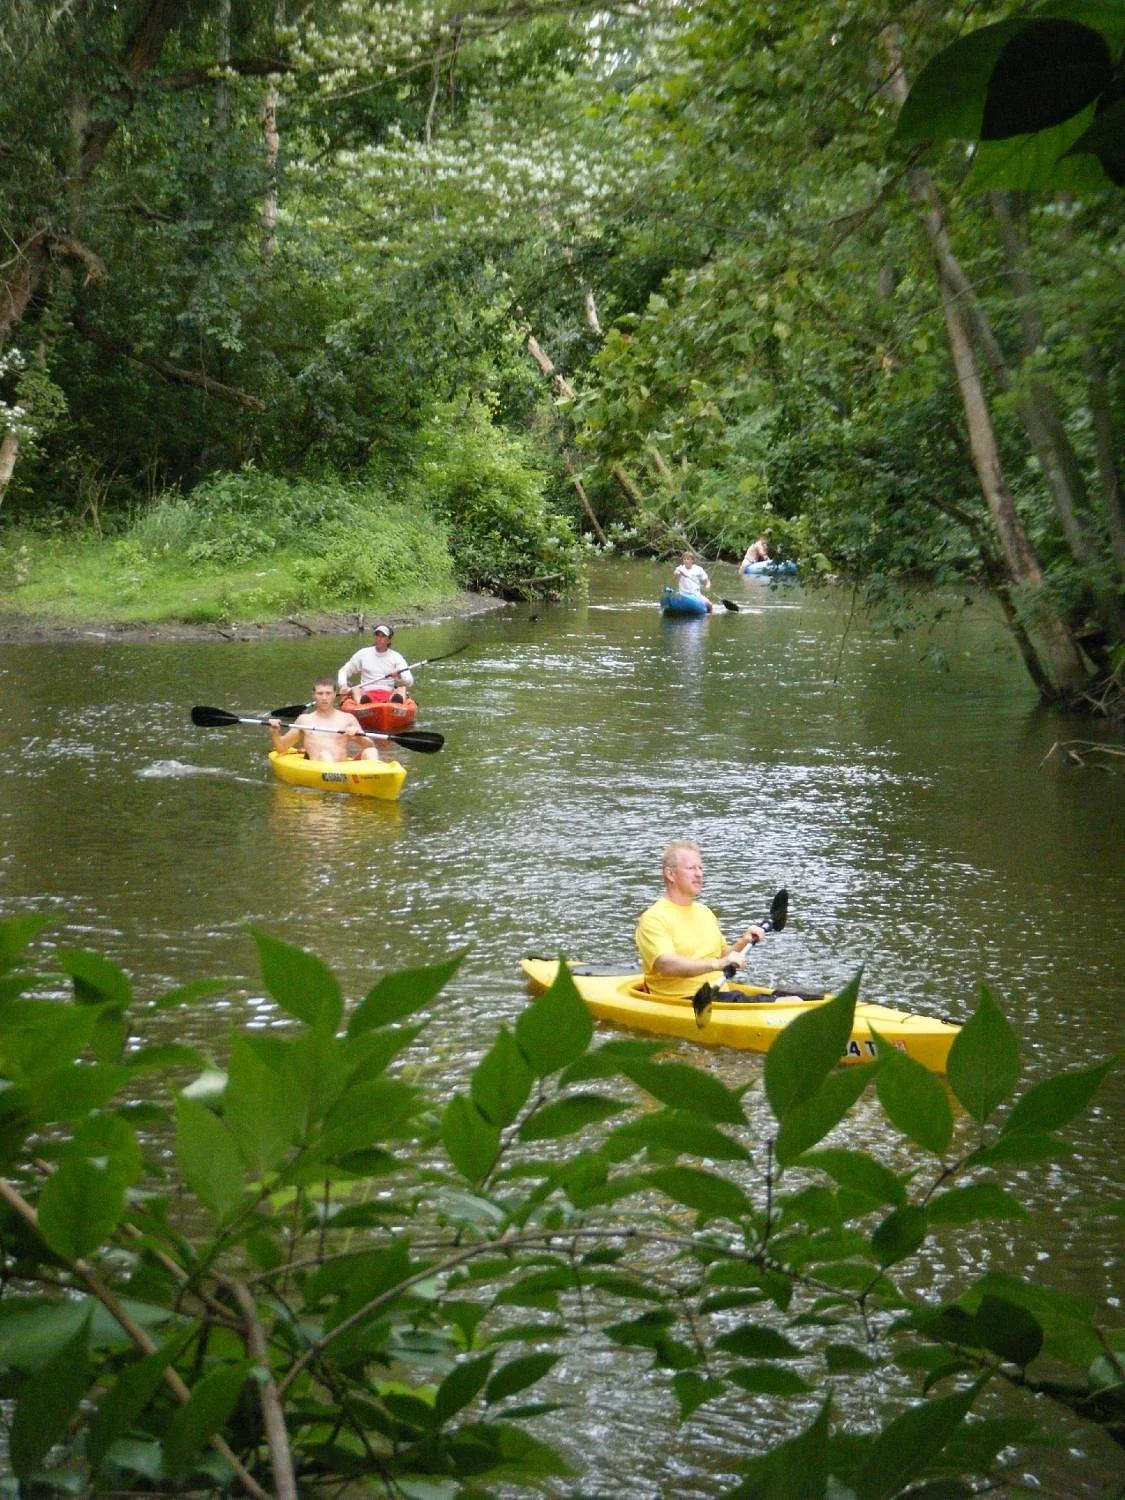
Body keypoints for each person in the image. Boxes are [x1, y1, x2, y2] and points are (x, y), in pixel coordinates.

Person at [634, 841, 765, 1002]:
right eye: (691, 868)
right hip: (685, 999)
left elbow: (724, 956)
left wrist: (744, 941)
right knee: (789, 1003)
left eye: (700, 868)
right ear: (670, 874)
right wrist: (717, 965)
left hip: (718, 993)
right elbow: (666, 965)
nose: (699, 874)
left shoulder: (705, 912)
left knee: (800, 1000)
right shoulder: (653, 918)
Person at [268, 678, 379, 762]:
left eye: (328, 693)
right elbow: (282, 748)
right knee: (325, 755)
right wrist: (275, 733)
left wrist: (359, 735)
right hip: (320, 767)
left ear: (334, 695)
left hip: (343, 769)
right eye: (320, 693)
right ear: (314, 695)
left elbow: (370, 746)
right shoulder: (304, 720)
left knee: (371, 752)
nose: (324, 698)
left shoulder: (348, 718)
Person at [337, 624, 415, 704]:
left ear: (389, 640)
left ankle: (395, 703)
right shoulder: (363, 653)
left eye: (383, 636)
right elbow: (343, 671)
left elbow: (410, 682)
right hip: (366, 692)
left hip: (388, 692)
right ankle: (364, 703)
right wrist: (343, 685)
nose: (379, 639)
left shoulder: (396, 657)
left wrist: (399, 676)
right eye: (377, 635)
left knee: (402, 689)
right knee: (355, 689)